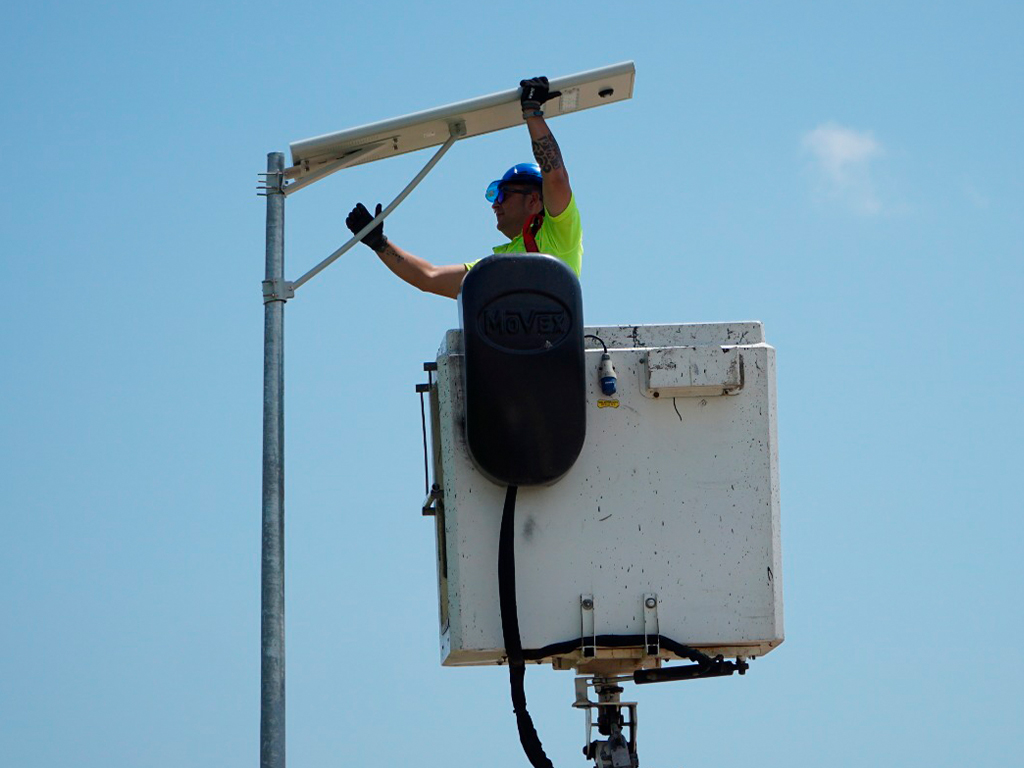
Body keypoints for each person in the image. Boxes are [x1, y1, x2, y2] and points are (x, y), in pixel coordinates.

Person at [345, 76, 583, 299]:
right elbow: (430, 277)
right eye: (494, 195)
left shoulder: (560, 232)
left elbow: (555, 177)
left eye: (503, 194)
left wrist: (532, 112)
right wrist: (379, 243)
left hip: (557, 341)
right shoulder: (497, 266)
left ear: (534, 200)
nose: (495, 203)